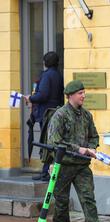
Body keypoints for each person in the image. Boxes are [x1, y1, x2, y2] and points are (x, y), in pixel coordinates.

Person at [47, 80, 110, 222]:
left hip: (82, 166)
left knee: (88, 198)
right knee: (61, 202)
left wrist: (91, 148)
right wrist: (78, 149)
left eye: (84, 92)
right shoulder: (59, 115)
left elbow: (94, 136)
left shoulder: (86, 115)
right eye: (80, 93)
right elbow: (54, 142)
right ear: (70, 96)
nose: (84, 95)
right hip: (64, 166)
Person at [24, 51, 64, 181]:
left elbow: (43, 95)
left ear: (45, 63)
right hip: (56, 112)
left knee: (47, 144)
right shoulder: (58, 74)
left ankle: (46, 173)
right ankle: (46, 171)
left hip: (47, 114)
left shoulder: (47, 76)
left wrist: (31, 98)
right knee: (51, 143)